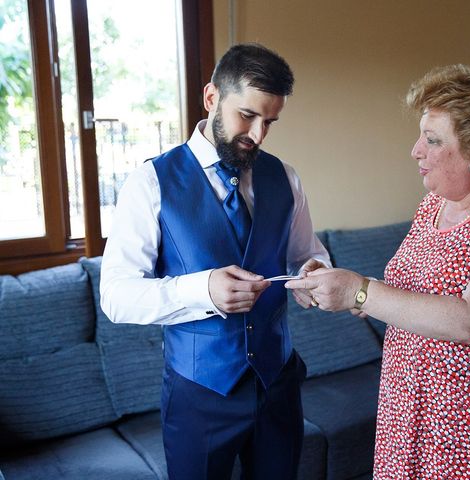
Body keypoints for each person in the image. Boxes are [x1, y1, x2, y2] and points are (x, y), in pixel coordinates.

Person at [285, 64, 470, 479]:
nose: (415, 150)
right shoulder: (434, 204)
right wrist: (334, 285)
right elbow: (405, 297)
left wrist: (360, 292)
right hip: (406, 407)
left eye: (432, 140)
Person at [100, 43, 330, 480]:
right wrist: (202, 289)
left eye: (270, 122)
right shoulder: (150, 182)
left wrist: (314, 272)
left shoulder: (286, 177)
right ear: (212, 98)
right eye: (247, 116)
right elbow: (115, 296)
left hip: (278, 388)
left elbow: (307, 253)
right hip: (199, 397)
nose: (258, 135)